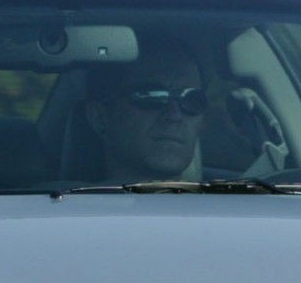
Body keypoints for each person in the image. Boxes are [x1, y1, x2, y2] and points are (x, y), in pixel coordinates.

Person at [82, 34, 208, 183]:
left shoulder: (226, 197)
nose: (174, 115)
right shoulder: (62, 197)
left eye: (191, 100)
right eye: (151, 97)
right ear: (100, 118)